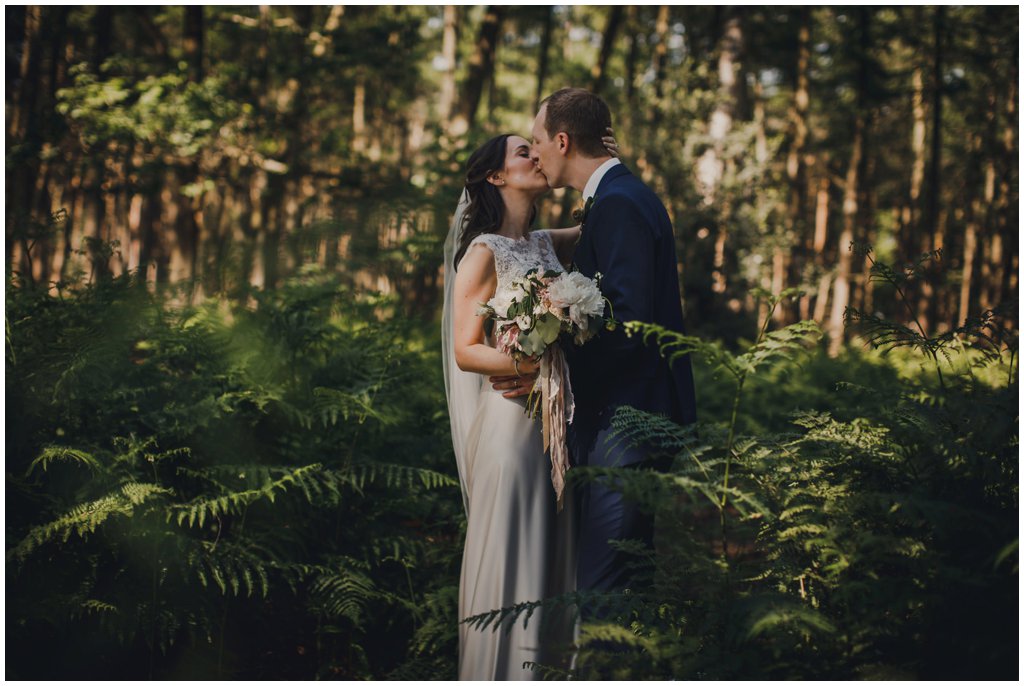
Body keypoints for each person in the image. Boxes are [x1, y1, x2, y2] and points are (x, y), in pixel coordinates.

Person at [441, 131, 618, 680]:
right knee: (514, 542)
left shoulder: (546, 242)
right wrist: (537, 366)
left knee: (551, 551)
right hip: (509, 429)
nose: (535, 157)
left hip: (551, 428)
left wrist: (603, 156)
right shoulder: (482, 252)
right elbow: (467, 352)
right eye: (523, 152)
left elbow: (604, 215)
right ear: (496, 177)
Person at [527, 87, 698, 606]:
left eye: (537, 141)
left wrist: (552, 358)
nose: (534, 153)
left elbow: (628, 325)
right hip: (627, 417)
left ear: (562, 140)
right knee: (626, 585)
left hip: (627, 421)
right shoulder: (616, 199)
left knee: (606, 593)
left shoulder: (619, 204)